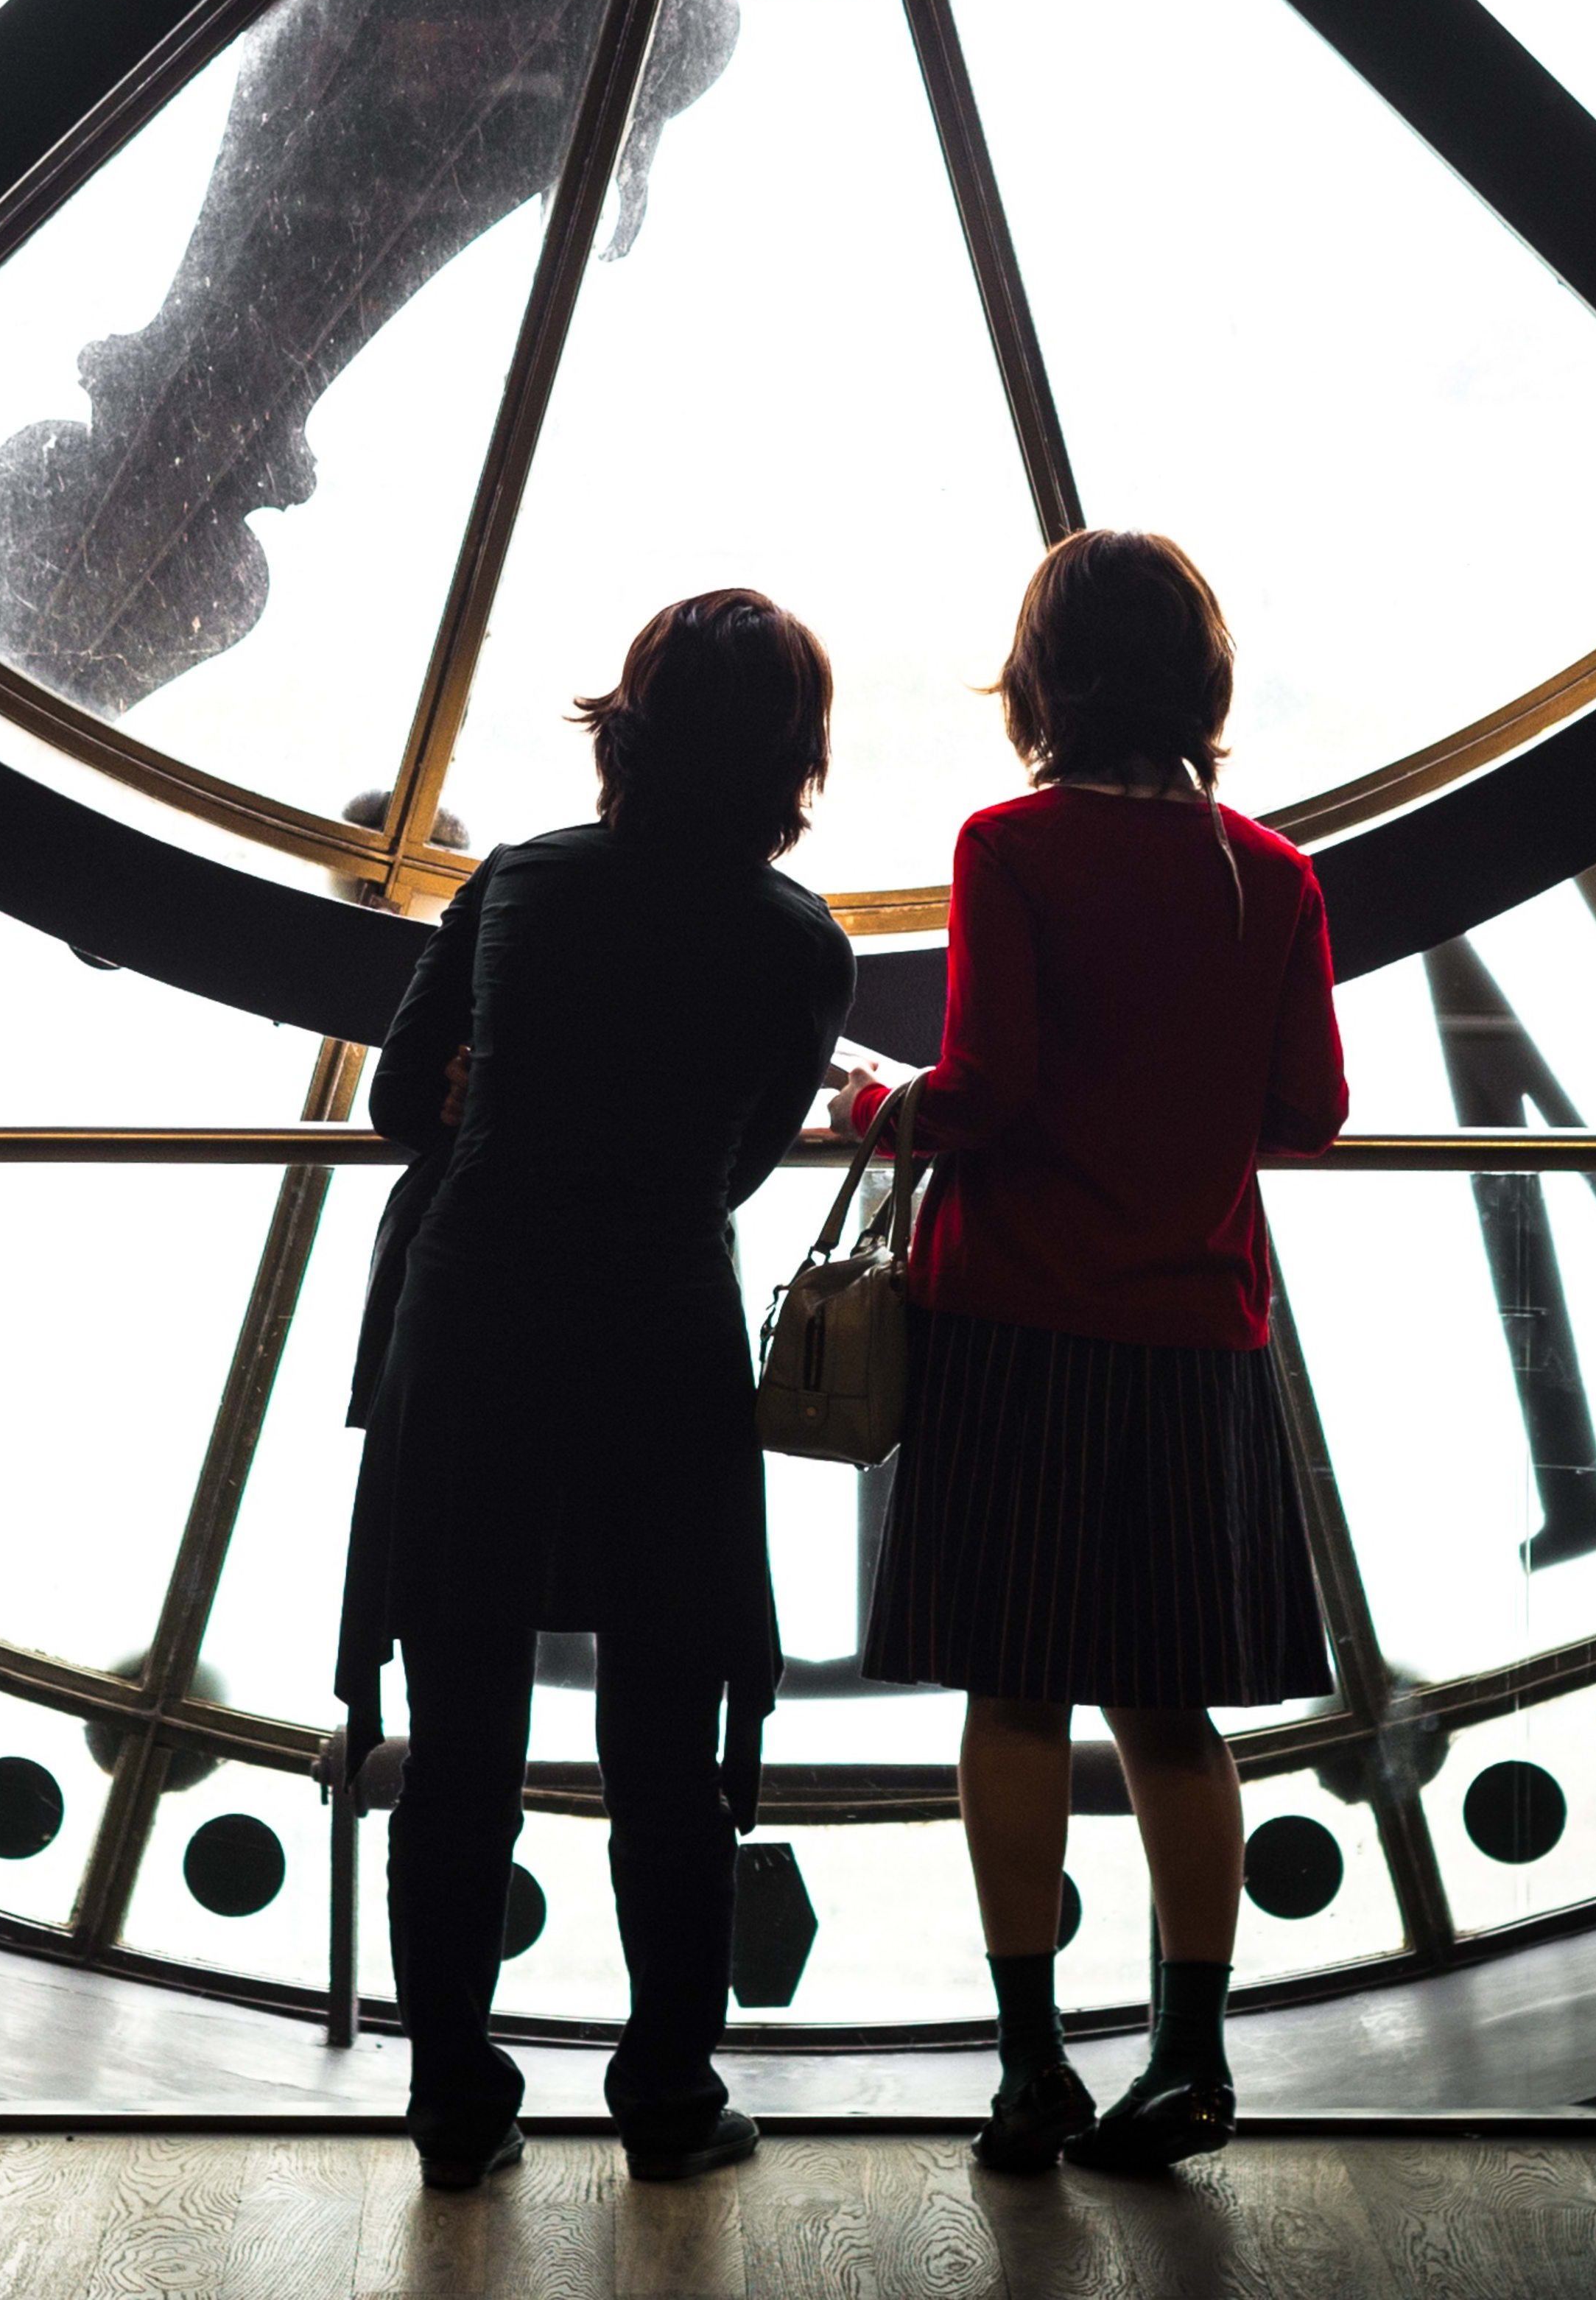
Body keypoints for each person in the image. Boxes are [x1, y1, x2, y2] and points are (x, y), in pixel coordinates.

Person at [837, 530, 1346, 2176]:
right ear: (1201, 683)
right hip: (1195, 1328)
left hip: (1017, 1327)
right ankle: (1189, 2059)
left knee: (1015, 1700)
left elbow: (981, 1089)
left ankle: (1031, 2064)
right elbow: (1309, 1114)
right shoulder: (1271, 875)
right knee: (1175, 1715)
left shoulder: (1011, 847)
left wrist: (873, 1109)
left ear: (1043, 681)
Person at [337, 591, 854, 2192]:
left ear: (623, 730)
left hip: (479, 1315)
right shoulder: (801, 945)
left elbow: (392, 1116)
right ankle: (667, 2093)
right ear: (791, 760)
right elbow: (740, 1165)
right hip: (661, 1333)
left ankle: (450, 2094)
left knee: (462, 1726)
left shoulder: (521, 885)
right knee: (669, 1747)